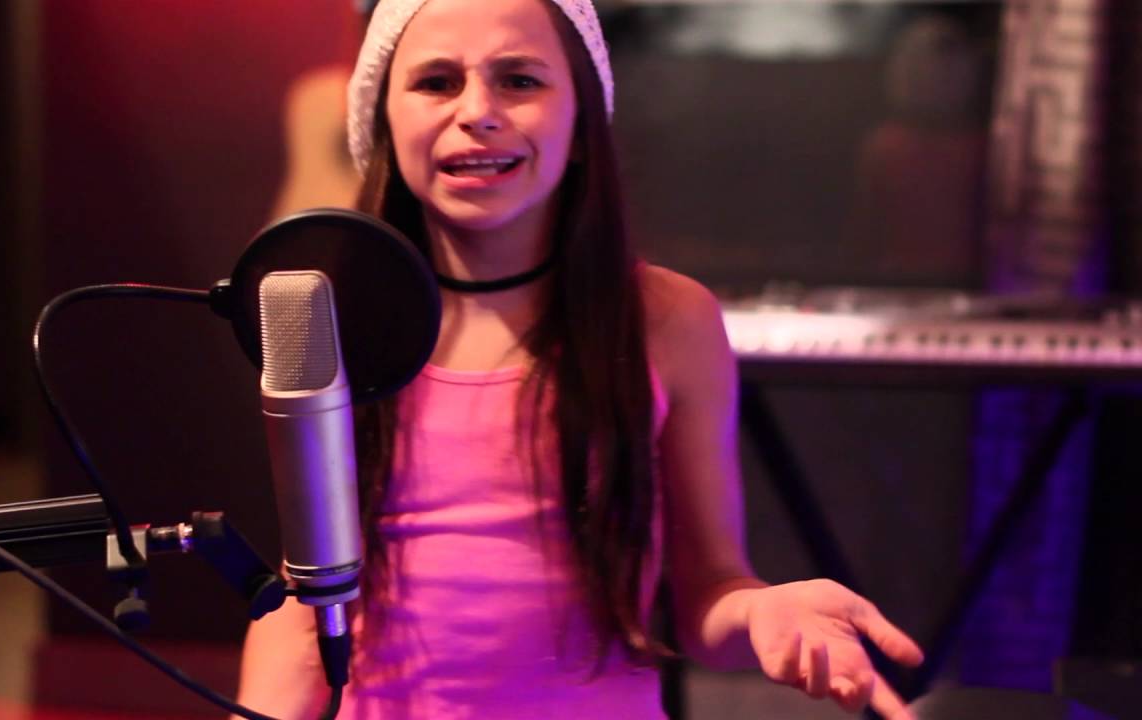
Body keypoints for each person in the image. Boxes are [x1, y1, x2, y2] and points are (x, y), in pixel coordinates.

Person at [235, 1, 924, 718]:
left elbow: (711, 598)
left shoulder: (667, 321)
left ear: (582, 124)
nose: (478, 111)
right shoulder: (336, 319)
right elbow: (308, 598)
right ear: (383, 118)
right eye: (437, 82)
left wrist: (760, 612)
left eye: (519, 80)